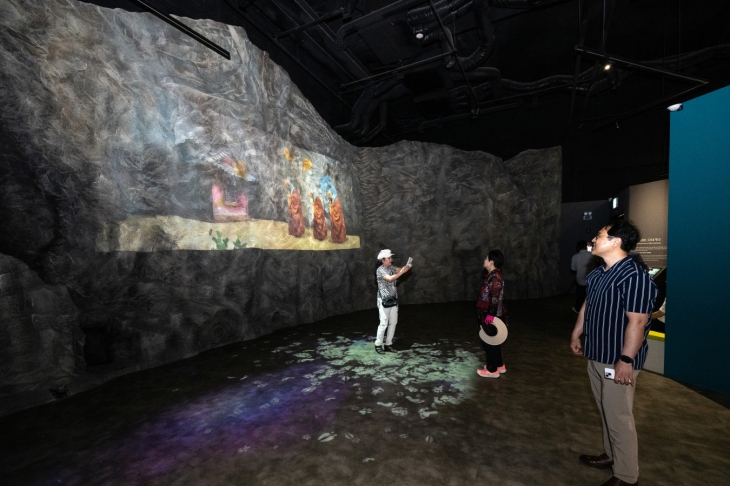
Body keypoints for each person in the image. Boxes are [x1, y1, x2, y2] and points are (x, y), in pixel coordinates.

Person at [570, 221, 658, 486]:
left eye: (600, 235)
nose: (594, 240)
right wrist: (576, 332)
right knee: (606, 410)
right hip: (597, 353)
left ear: (616, 241)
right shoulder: (598, 273)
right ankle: (612, 455)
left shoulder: (635, 276)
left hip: (618, 359)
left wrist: (626, 360)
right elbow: (588, 305)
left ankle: (627, 476)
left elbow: (638, 322)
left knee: (619, 416)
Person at [476, 250, 508, 378]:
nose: (484, 260)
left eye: (486, 258)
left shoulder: (494, 278)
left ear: (491, 261)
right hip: (494, 315)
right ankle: (499, 365)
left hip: (491, 315)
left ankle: (492, 370)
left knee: (488, 341)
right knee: (494, 340)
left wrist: (489, 319)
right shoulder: (494, 276)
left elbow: (494, 301)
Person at [374, 249, 412, 354]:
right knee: (383, 323)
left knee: (393, 323)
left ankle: (388, 344)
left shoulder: (391, 268)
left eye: (391, 257)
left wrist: (407, 266)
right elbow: (390, 279)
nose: (391, 259)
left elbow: (400, 270)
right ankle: (378, 344)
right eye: (389, 258)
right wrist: (402, 272)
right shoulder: (380, 270)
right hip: (384, 301)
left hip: (393, 300)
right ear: (383, 260)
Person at [571, 240, 596, 313]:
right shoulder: (592, 255)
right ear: (587, 246)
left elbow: (573, 269)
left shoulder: (575, 256)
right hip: (591, 278)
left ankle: (578, 309)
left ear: (578, 248)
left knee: (580, 295)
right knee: (591, 295)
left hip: (579, 279)